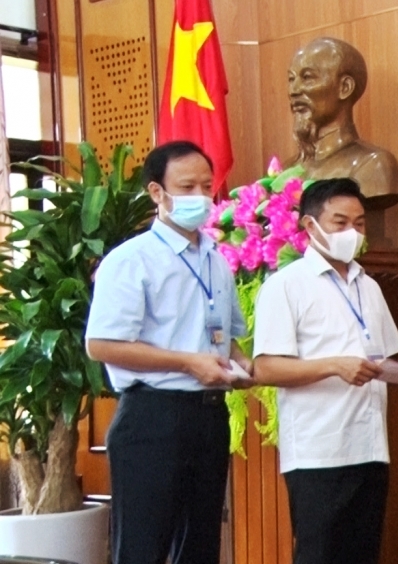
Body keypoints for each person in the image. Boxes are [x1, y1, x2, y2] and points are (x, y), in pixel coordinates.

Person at [86, 140, 253, 564]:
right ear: (157, 192)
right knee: (143, 550)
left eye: (207, 186)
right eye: (187, 187)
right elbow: (101, 344)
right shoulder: (131, 260)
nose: (201, 197)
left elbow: (224, 337)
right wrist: (187, 363)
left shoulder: (215, 259)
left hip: (209, 416)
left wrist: (243, 364)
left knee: (200, 549)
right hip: (153, 418)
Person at [252, 178, 398, 564]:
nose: (352, 232)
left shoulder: (369, 286)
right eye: (340, 222)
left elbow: (379, 356)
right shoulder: (286, 286)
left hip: (370, 447)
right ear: (309, 225)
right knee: (320, 555)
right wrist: (334, 366)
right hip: (318, 452)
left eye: (359, 223)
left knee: (363, 555)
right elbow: (265, 367)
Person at [287, 37, 398, 213]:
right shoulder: (287, 169)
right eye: (291, 79)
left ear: (345, 87)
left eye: (307, 78)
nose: (293, 90)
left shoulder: (374, 165)